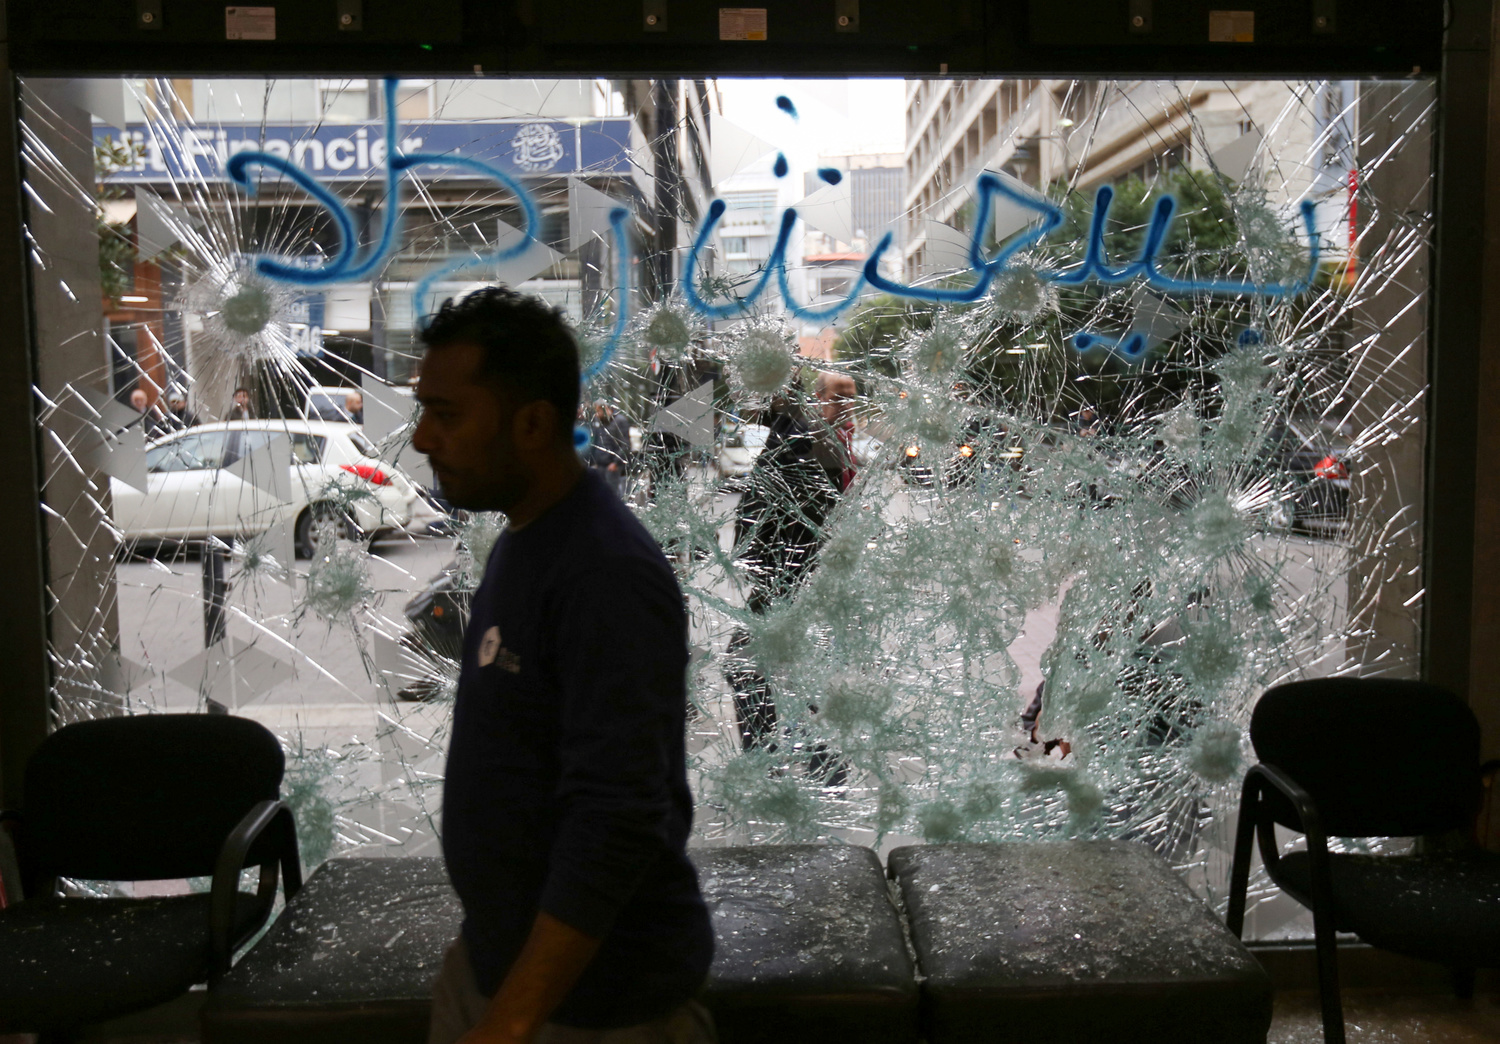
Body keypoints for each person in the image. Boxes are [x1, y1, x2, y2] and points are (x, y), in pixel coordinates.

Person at [410, 286, 714, 1044]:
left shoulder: (605, 573)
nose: (420, 438)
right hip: (501, 974)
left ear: (534, 424)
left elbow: (616, 820)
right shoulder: (525, 539)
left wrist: (511, 1020)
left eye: (447, 415)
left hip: (590, 1011)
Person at [725, 371, 856, 769]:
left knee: (748, 666)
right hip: (794, 578)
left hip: (793, 579)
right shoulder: (812, 435)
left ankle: (775, 763)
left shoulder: (817, 440)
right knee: (790, 669)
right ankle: (820, 765)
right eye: (841, 396)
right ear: (815, 398)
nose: (850, 404)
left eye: (853, 396)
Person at [586, 399, 631, 494]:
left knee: (613, 493)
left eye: (598, 411)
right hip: (601, 465)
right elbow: (599, 442)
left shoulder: (619, 421)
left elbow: (625, 444)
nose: (597, 414)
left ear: (606, 408)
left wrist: (616, 462)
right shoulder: (601, 422)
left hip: (613, 466)